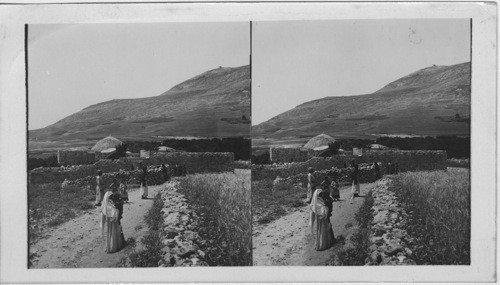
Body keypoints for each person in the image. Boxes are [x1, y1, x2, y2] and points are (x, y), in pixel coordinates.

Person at [100, 185, 125, 253]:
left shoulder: (105, 207)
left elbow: (103, 216)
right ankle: (114, 247)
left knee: (109, 234)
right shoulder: (112, 207)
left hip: (108, 224)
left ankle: (109, 247)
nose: (111, 199)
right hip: (113, 224)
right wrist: (117, 211)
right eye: (110, 197)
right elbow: (115, 217)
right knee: (113, 234)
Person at [310, 186, 335, 251]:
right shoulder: (318, 203)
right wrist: (326, 208)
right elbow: (323, 212)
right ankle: (322, 245)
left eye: (322, 194)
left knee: (323, 231)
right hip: (322, 220)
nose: (322, 195)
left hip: (322, 219)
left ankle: (325, 243)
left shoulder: (318, 201)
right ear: (318, 195)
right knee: (322, 231)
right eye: (320, 194)